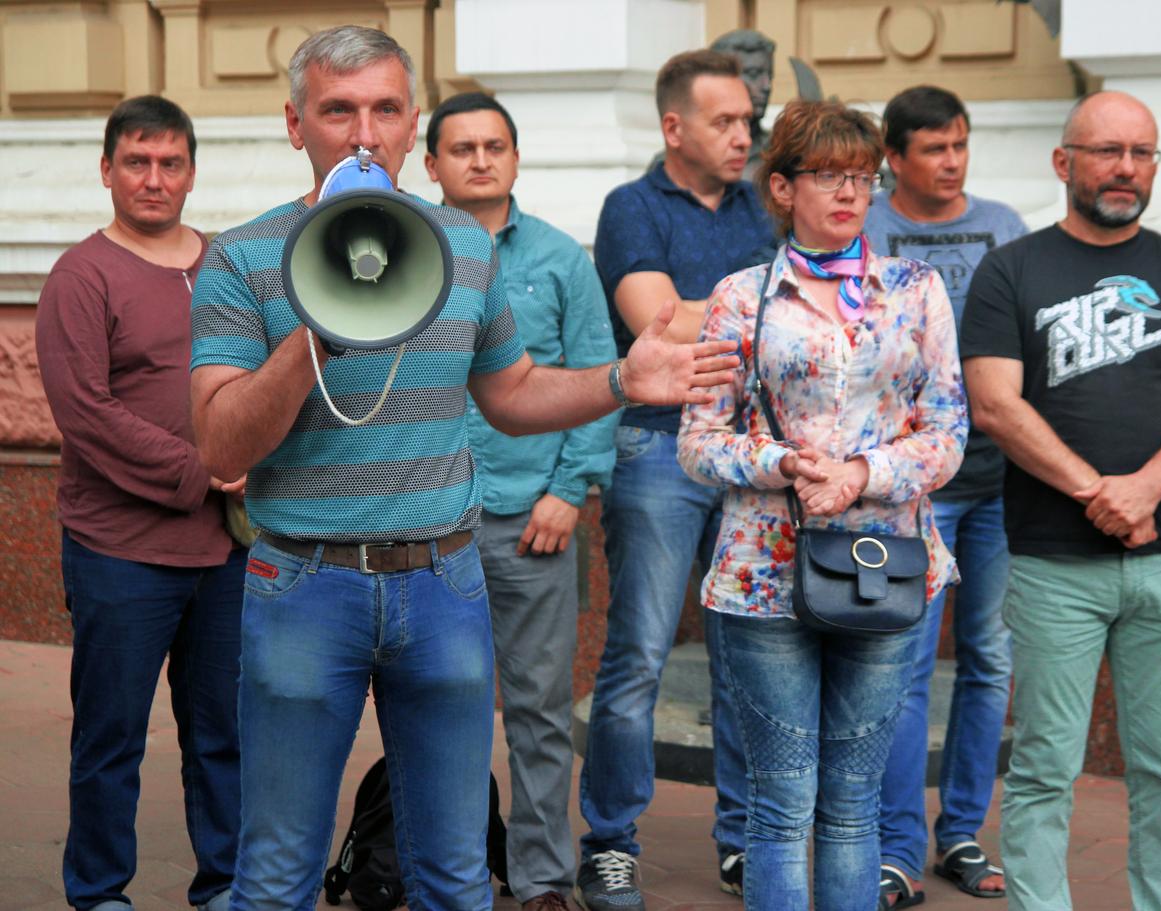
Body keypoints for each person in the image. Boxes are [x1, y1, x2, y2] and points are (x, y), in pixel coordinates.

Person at [187, 26, 738, 911]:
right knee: (278, 873)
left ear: (413, 129)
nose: (364, 136)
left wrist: (617, 381)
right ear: (296, 124)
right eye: (338, 111)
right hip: (302, 583)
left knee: (453, 874)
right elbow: (220, 445)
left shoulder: (467, 250)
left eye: (386, 111)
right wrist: (316, 326)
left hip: (444, 582)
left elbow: (512, 392)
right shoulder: (242, 258)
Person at [677, 98, 969, 911]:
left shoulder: (916, 290)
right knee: (779, 805)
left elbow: (949, 432)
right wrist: (780, 460)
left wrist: (861, 474)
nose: (850, 192)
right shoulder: (741, 296)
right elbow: (699, 441)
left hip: (888, 566)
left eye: (862, 176)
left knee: (852, 808)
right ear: (781, 187)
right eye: (828, 176)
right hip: (762, 572)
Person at [959, 91, 1161, 911]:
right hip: (1054, 565)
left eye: (1142, 152)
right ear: (1064, 162)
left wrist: (1147, 489)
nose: (1127, 168)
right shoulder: (1013, 270)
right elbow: (995, 404)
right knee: (1047, 767)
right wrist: (1099, 492)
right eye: (1109, 150)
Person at [34, 95, 247, 911]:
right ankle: (98, 892)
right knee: (110, 739)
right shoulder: (82, 275)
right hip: (120, 551)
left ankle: (225, 883)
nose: (154, 179)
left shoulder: (229, 263)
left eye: (170, 163)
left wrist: (249, 458)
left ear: (191, 172)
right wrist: (207, 466)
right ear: (107, 171)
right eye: (136, 162)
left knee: (225, 734)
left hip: (227, 552)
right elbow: (87, 415)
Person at [575, 48, 775, 911]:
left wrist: (723, 311)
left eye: (748, 121)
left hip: (751, 458)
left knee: (748, 662)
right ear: (673, 127)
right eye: (726, 121)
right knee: (638, 659)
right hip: (656, 451)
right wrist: (766, 307)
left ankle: (742, 842)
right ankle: (610, 843)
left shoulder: (762, 207)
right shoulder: (631, 206)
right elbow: (655, 328)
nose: (744, 135)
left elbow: (733, 318)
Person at [424, 91, 619, 911]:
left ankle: (541, 878)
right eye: (460, 147)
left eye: (493, 145)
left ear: (514, 156)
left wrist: (568, 492)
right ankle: (456, 872)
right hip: (430, 525)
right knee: (442, 708)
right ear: (430, 164)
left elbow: (598, 377)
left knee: (538, 712)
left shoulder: (559, 259)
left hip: (533, 521)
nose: (478, 159)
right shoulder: (407, 253)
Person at [864, 85, 1027, 907]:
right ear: (894, 156)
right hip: (910, 485)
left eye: (960, 144)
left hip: (1001, 480)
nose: (952, 160)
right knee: (905, 662)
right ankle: (896, 843)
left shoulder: (1004, 223)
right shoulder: (868, 228)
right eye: (933, 148)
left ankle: (960, 829)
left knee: (990, 660)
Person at [711, 29, 776, 179]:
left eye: (770, 76)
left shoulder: (782, 154)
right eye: (754, 74)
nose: (767, 86)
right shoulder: (681, 163)